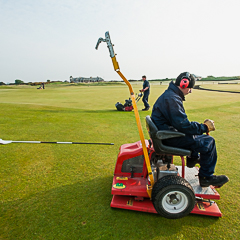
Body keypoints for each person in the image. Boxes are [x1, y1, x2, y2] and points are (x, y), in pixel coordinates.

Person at [151, 72, 229, 188]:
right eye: (190, 88)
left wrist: (199, 128)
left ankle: (193, 158)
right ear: (183, 84)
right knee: (209, 141)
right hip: (168, 138)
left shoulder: (170, 95)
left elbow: (181, 124)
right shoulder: (172, 99)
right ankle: (206, 178)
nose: (190, 91)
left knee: (197, 137)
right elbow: (183, 125)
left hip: (166, 134)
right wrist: (205, 127)